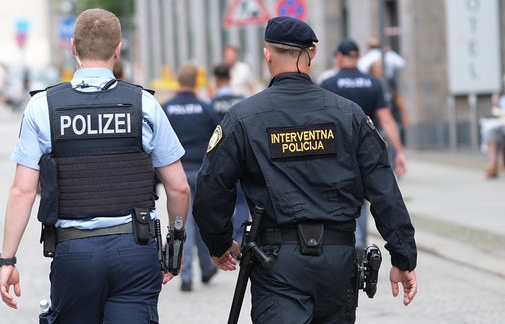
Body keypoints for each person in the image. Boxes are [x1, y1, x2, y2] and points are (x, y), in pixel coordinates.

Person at [193, 16, 417, 323]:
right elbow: (384, 189)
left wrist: (218, 244)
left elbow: (211, 188)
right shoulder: (349, 115)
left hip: (276, 264)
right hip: (338, 261)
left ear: (267, 55)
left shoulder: (243, 118)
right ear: (311, 54)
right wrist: (403, 256)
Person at [0, 8, 190, 323]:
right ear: (118, 49)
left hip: (74, 254)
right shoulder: (144, 105)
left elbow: (23, 190)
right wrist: (175, 242)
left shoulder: (43, 106)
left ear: (72, 46)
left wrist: (7, 260)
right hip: (135, 252)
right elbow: (179, 186)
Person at [320, 38, 408, 254]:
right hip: (367, 143)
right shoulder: (372, 82)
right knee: (366, 195)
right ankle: (360, 243)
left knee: (339, 192)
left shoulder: (329, 84)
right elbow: (386, 119)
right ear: (357, 57)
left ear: (339, 57)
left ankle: (346, 240)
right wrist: (399, 151)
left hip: (336, 144)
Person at [162, 62, 219, 292]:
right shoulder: (205, 108)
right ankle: (205, 267)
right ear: (196, 81)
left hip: (176, 173)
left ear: (178, 80)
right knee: (201, 220)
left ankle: (185, 274)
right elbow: (218, 137)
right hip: (202, 171)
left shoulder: (167, 108)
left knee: (181, 223)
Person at [210, 63, 249, 244]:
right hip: (241, 157)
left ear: (216, 80)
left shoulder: (210, 104)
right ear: (231, 79)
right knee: (242, 200)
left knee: (221, 200)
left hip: (218, 160)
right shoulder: (242, 100)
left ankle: (227, 238)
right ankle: (241, 239)